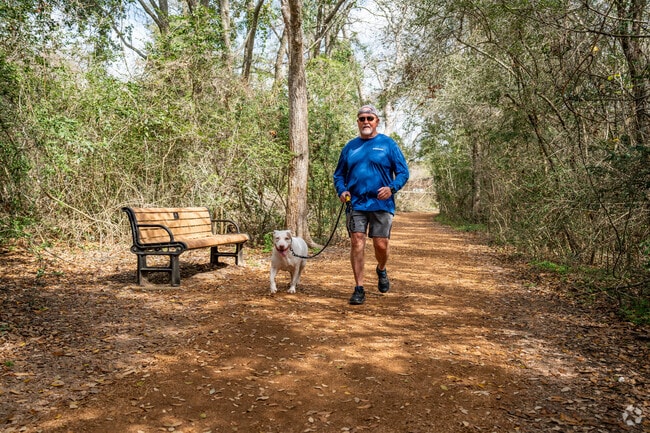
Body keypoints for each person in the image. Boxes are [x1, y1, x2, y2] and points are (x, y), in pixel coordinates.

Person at [333, 104, 410, 305]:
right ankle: (359, 288)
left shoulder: (388, 144)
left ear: (377, 121)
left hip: (381, 203)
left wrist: (391, 188)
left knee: (380, 244)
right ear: (357, 122)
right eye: (362, 118)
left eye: (370, 118)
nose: (366, 122)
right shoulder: (350, 147)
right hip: (356, 203)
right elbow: (339, 174)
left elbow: (403, 172)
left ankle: (381, 269)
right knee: (357, 240)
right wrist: (342, 190)